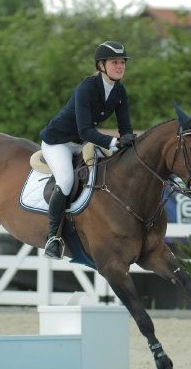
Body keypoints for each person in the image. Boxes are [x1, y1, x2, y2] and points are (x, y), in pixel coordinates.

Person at [39, 40, 136, 259]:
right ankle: (53, 238)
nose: (120, 66)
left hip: (82, 144)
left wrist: (128, 140)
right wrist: (113, 143)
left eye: (122, 62)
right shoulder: (86, 88)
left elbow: (125, 128)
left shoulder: (119, 91)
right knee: (65, 181)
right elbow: (85, 131)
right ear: (101, 65)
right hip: (58, 142)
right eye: (115, 62)